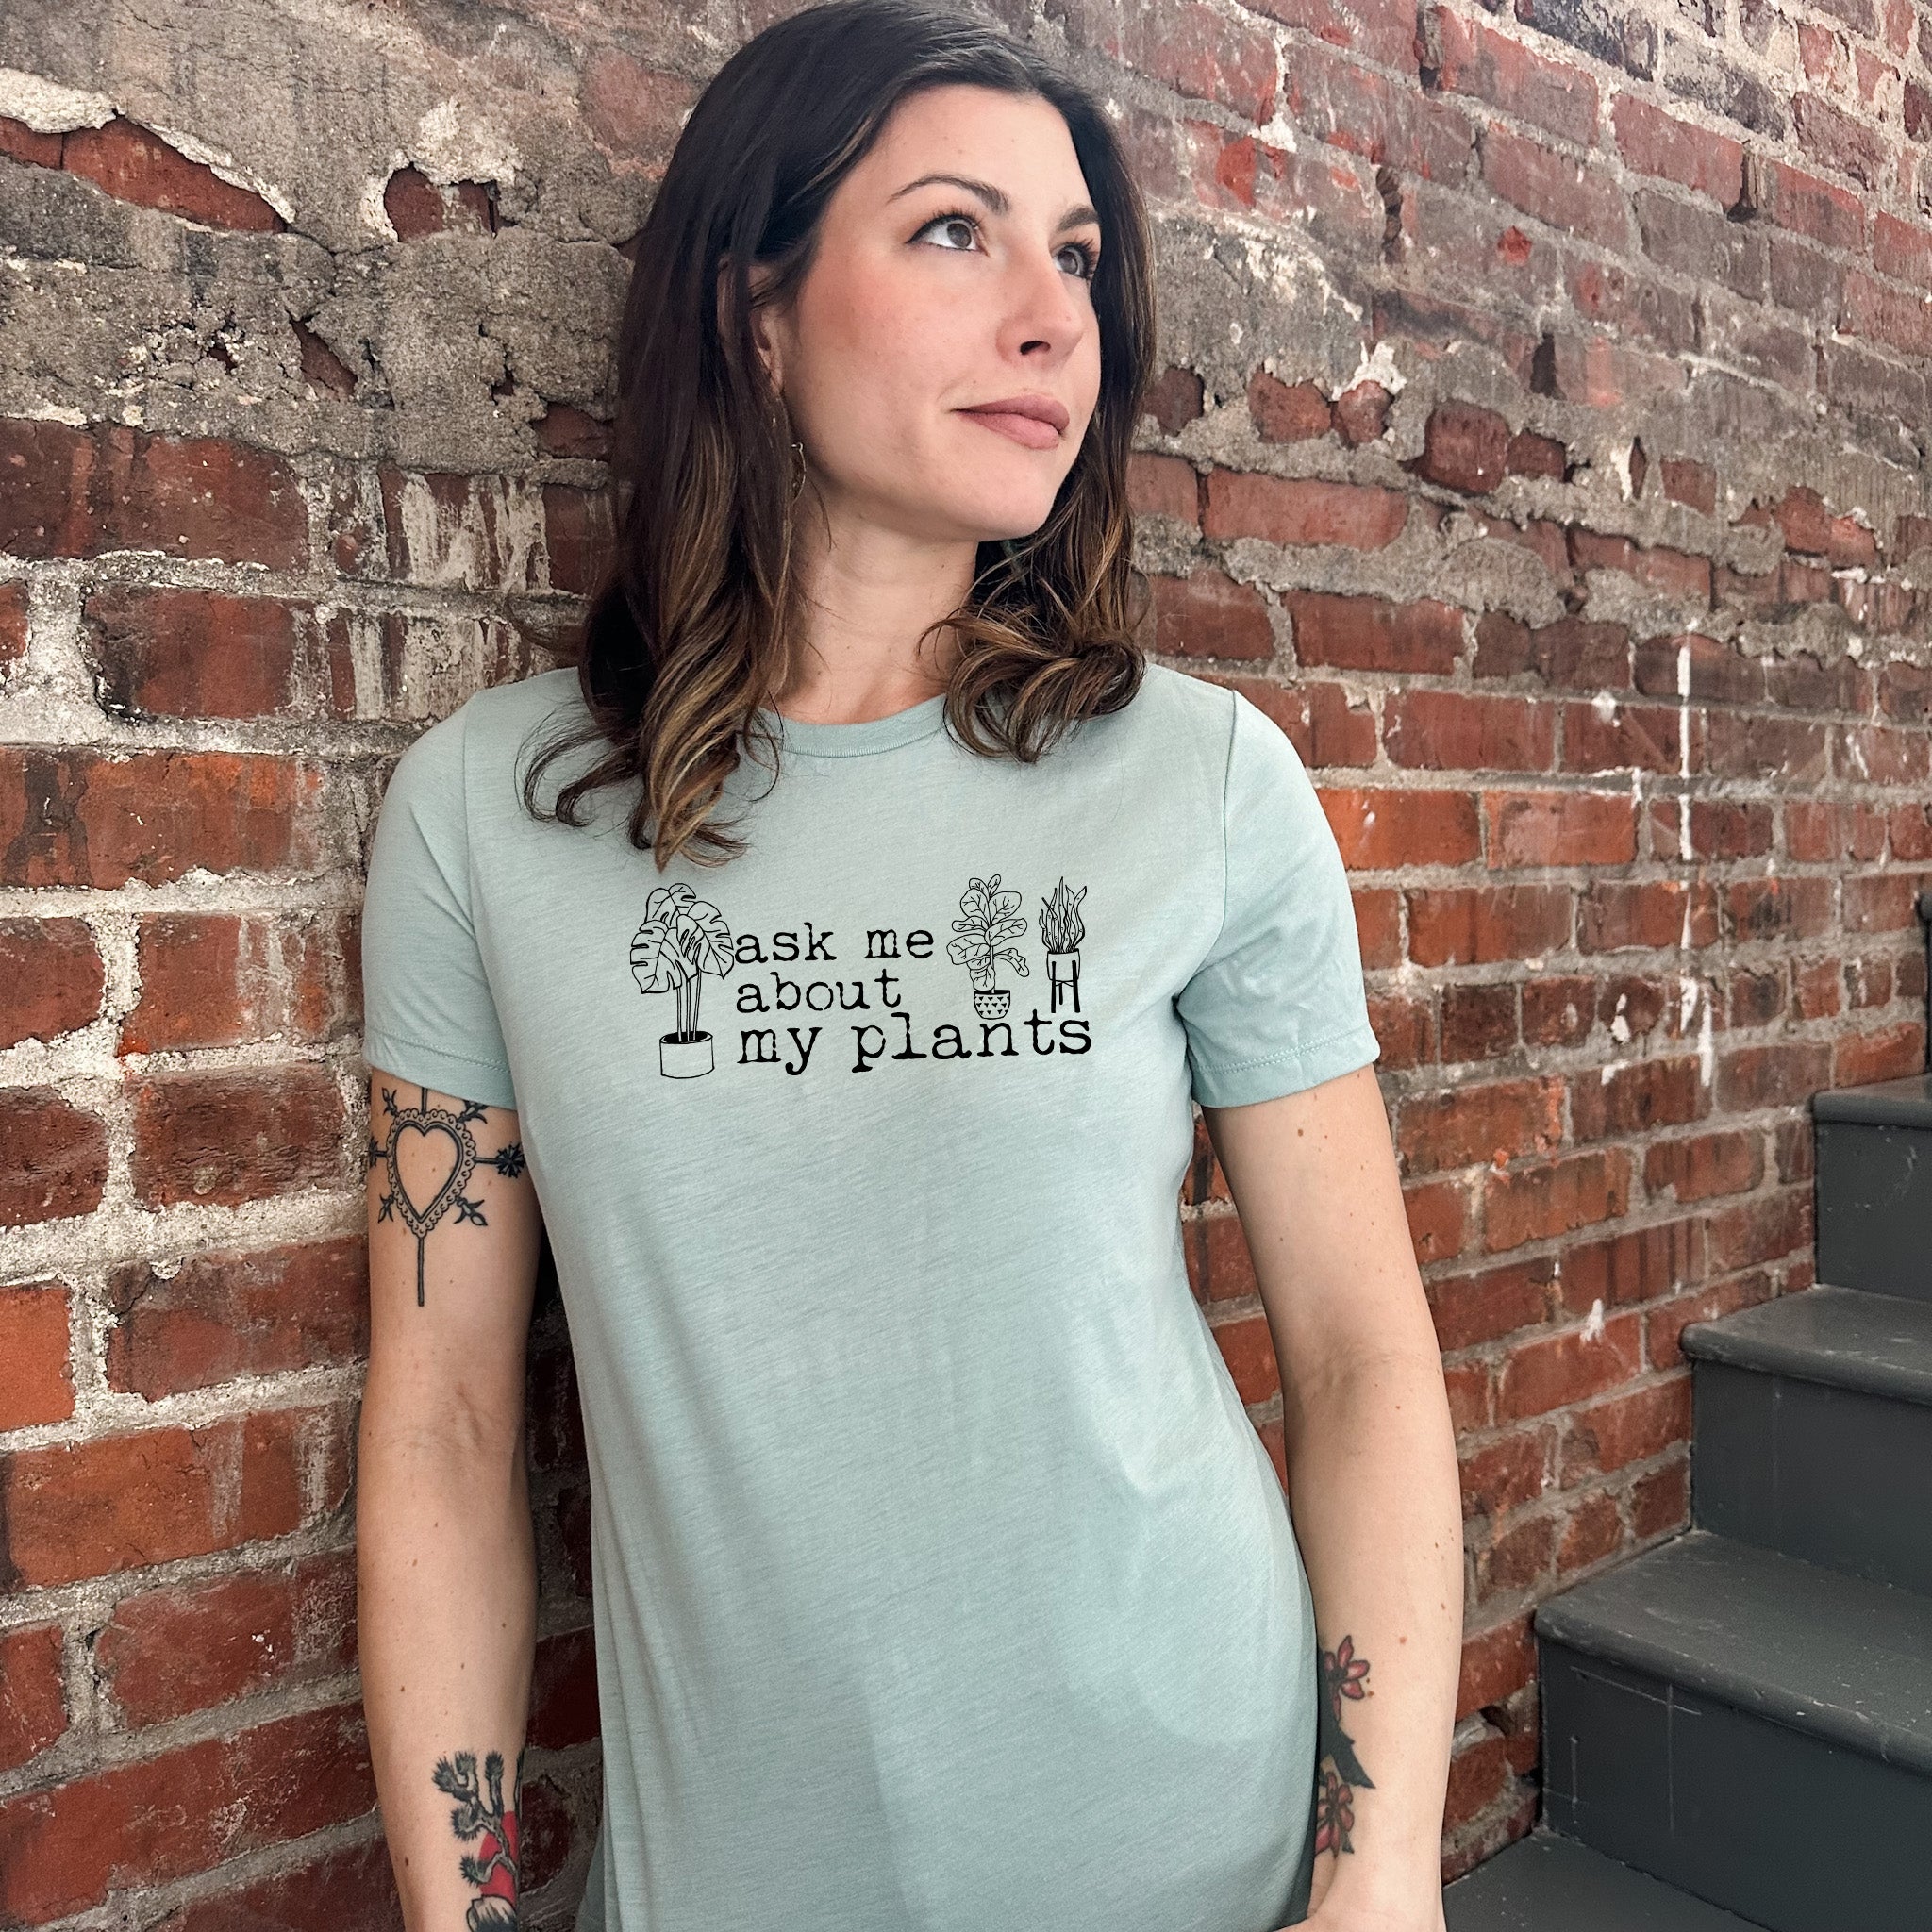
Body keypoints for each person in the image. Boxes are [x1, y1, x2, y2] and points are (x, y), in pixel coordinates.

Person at [355, 4, 1462, 1929]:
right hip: (730, 1877)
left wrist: (1380, 1876)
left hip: (1186, 1831)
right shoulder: (487, 815)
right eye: (956, 231)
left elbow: (1361, 1358)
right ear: (753, 310)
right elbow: (445, 1426)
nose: (1052, 314)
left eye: (1080, 257)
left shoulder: (1199, 783)